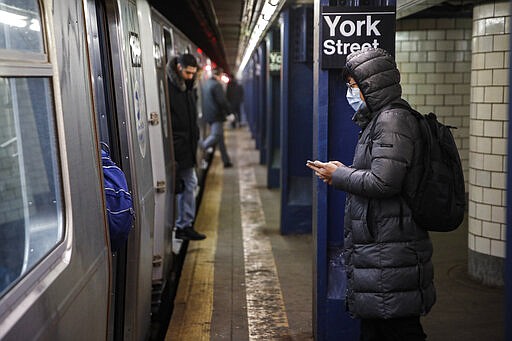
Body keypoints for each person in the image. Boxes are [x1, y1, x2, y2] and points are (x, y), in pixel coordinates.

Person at [307, 48, 435, 341]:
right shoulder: (380, 119)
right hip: (383, 243)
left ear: (372, 85)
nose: (351, 92)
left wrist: (337, 175)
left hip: (390, 247)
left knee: (398, 328)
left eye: (354, 85)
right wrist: (344, 170)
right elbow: (383, 172)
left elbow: (384, 182)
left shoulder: (392, 121)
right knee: (379, 326)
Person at [167, 53, 206, 241]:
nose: (191, 77)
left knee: (188, 184)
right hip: (178, 147)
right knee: (189, 184)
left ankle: (184, 223)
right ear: (179, 68)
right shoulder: (170, 87)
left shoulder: (189, 87)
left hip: (187, 145)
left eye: (193, 74)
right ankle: (183, 225)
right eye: (188, 73)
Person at [200, 67, 233, 168]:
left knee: (220, 139)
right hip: (216, 116)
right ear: (219, 75)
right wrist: (229, 113)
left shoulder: (206, 84)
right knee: (216, 135)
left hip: (208, 115)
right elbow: (222, 101)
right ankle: (202, 145)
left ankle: (226, 161)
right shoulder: (217, 85)